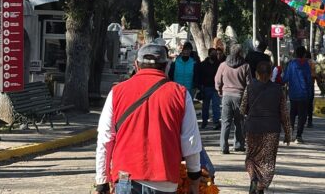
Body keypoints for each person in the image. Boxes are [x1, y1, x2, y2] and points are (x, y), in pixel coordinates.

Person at [94, 43, 203, 194]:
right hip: (164, 180)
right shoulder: (181, 94)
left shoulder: (116, 93)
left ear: (136, 65)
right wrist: (194, 178)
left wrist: (101, 181)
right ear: (166, 66)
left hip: (126, 178)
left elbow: (105, 139)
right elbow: (190, 141)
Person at [242, 60, 291, 194]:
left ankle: (253, 179)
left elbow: (242, 109)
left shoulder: (249, 87)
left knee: (251, 157)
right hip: (271, 129)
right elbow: (284, 114)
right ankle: (260, 185)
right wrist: (288, 134)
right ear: (271, 74)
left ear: (256, 73)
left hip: (253, 128)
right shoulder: (278, 90)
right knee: (268, 161)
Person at [215, 43, 251, 154]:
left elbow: (217, 80)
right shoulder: (245, 66)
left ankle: (223, 147)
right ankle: (239, 145)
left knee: (225, 122)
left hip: (226, 96)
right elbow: (249, 83)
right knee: (239, 122)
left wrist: (219, 90)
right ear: (240, 53)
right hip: (239, 97)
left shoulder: (223, 65)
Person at [282, 46, 312, 144]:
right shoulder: (306, 65)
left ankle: (290, 133)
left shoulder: (291, 64)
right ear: (304, 54)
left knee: (292, 114)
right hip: (304, 94)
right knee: (302, 116)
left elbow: (285, 78)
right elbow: (309, 80)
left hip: (293, 94)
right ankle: (299, 136)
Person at [197, 48, 222, 130]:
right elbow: (200, 76)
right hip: (206, 87)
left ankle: (216, 122)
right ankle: (204, 121)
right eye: (213, 53)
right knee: (205, 106)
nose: (215, 55)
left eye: (216, 53)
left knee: (216, 105)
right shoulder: (203, 64)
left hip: (215, 87)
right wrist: (200, 87)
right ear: (209, 54)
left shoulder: (219, 64)